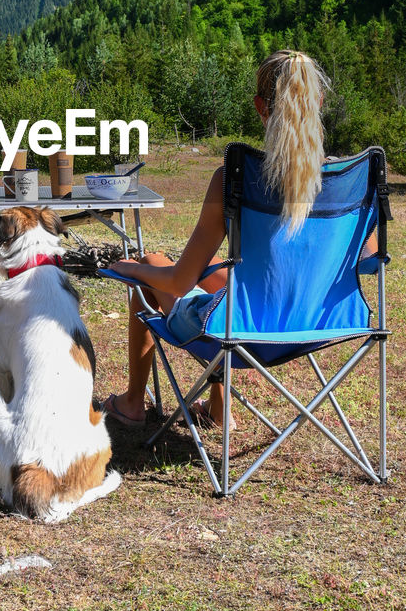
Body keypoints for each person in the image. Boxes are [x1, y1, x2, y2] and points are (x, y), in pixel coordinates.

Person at [102, 49, 341, 432]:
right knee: (216, 280)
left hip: (246, 328)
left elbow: (179, 282)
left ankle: (132, 403)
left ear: (260, 107)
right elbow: (369, 259)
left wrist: (127, 266)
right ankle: (217, 410)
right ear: (320, 102)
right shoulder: (347, 183)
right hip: (317, 324)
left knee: (151, 265)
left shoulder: (233, 179)